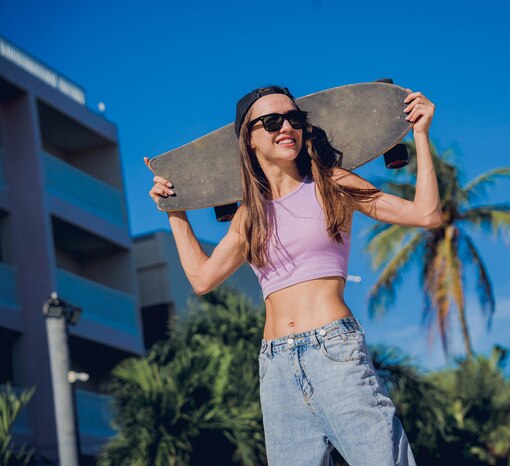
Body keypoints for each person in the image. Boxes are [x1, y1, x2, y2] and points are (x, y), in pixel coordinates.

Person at [144, 84, 442, 465]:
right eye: (271, 121)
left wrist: (420, 134)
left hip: (334, 351)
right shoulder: (249, 215)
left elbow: (426, 214)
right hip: (276, 366)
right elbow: (203, 279)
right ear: (248, 139)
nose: (286, 127)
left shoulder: (333, 183)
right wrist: (176, 211)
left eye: (295, 119)